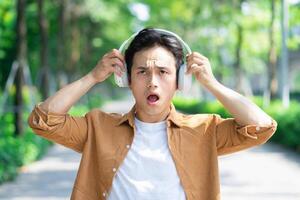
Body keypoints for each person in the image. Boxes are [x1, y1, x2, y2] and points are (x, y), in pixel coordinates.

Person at [28, 28, 277, 200]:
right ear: (127, 79)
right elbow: (44, 120)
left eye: (163, 72)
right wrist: (93, 77)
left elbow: (261, 126)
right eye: (142, 72)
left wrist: (211, 83)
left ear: (180, 80)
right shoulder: (97, 127)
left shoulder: (204, 130)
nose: (152, 82)